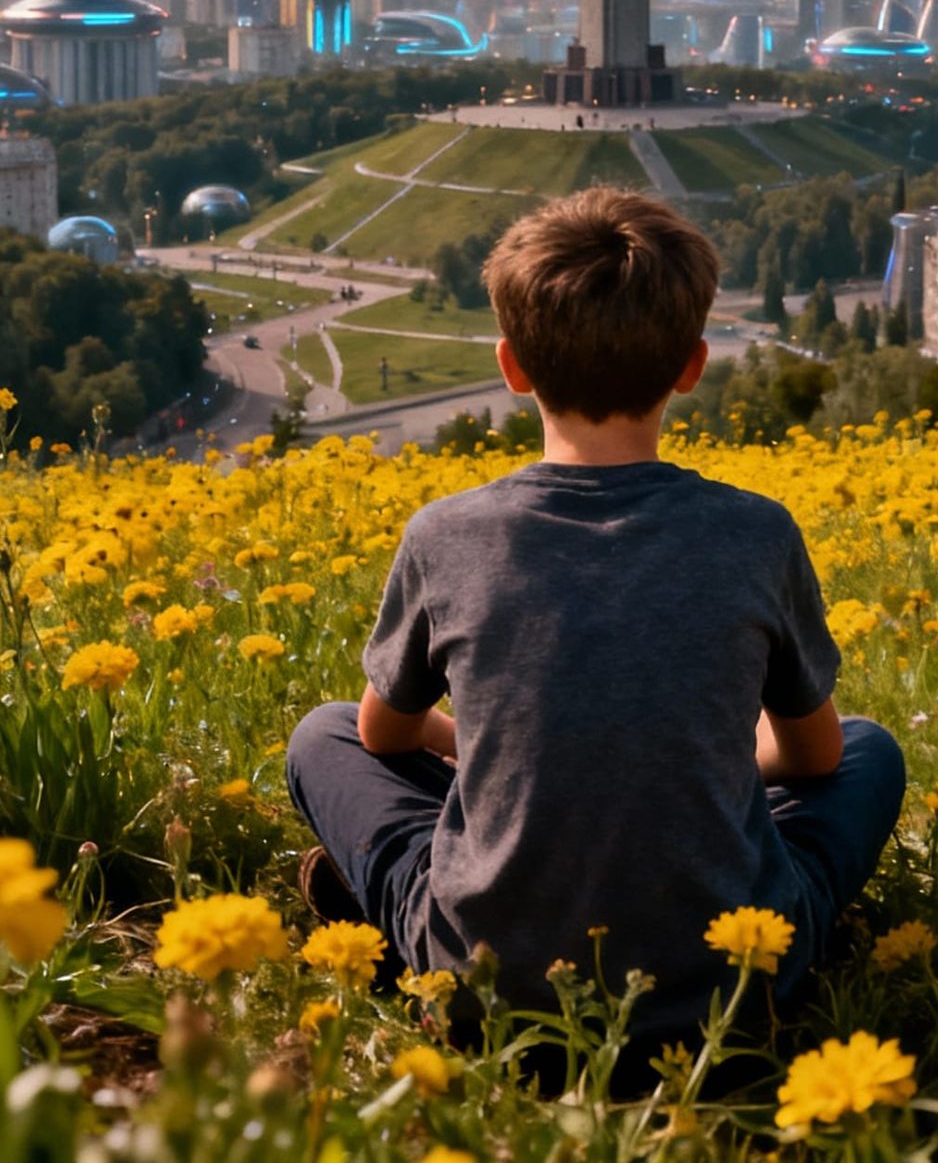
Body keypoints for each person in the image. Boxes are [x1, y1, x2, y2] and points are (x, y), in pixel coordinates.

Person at [285, 188, 904, 1038]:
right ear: (692, 363)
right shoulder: (757, 531)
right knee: (871, 750)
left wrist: (486, 749)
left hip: (489, 982)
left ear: (511, 364)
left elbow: (384, 736)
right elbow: (818, 753)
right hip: (732, 980)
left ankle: (397, 930)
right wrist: (697, 762)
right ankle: (803, 941)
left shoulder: (446, 534)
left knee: (322, 734)